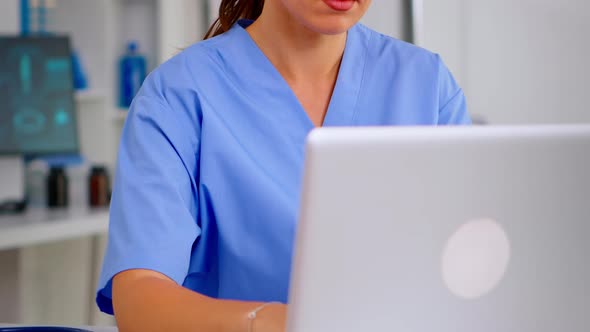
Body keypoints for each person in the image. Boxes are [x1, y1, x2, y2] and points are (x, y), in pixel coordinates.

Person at [97, 0, 470, 331]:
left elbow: (469, 268)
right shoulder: (177, 97)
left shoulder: (427, 86)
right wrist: (270, 322)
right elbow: (140, 301)